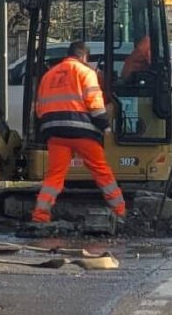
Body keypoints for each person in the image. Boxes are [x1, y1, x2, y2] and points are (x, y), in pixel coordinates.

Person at [31, 41, 126, 223]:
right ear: (84, 56)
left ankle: (40, 215)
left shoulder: (49, 75)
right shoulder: (86, 72)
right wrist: (104, 127)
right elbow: (95, 104)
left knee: (54, 175)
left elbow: (39, 109)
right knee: (101, 171)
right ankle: (120, 210)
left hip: (55, 133)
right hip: (82, 132)